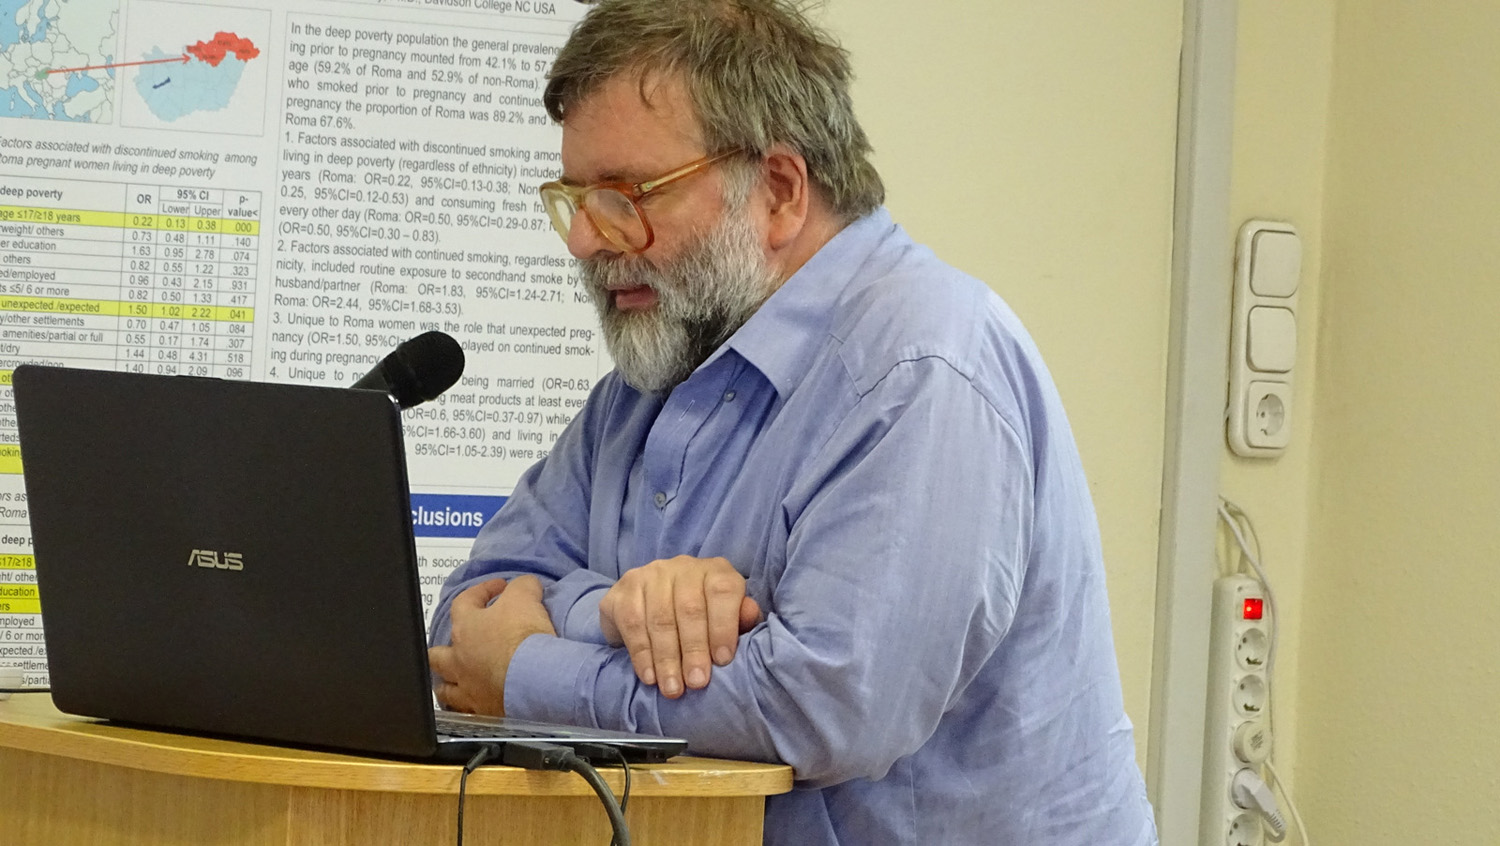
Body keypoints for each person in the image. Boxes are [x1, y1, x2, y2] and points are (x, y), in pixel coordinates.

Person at [427, 0, 1157, 842]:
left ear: (778, 191)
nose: (585, 241)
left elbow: (826, 709)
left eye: (624, 195)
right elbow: (464, 624)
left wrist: (529, 672)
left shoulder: (922, 365)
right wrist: (614, 610)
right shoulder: (649, 378)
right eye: (575, 199)